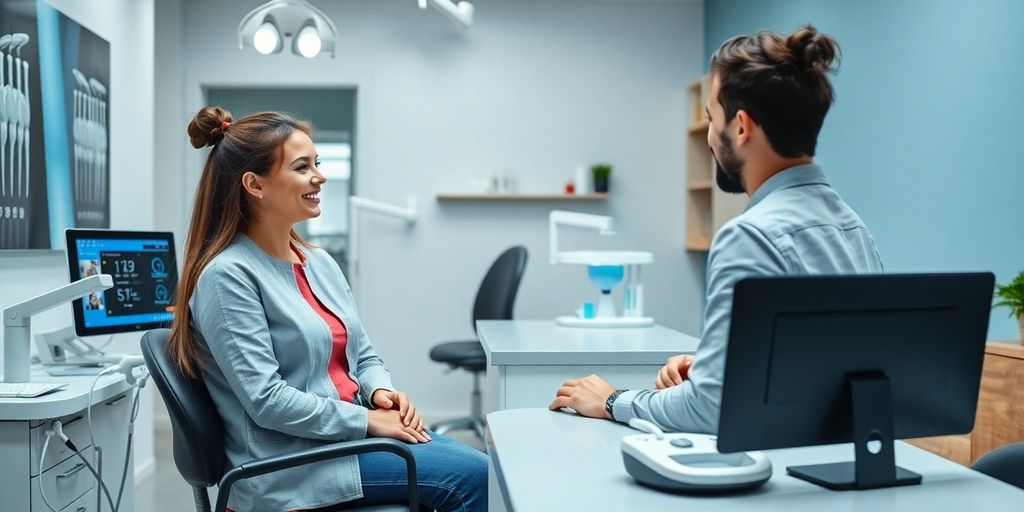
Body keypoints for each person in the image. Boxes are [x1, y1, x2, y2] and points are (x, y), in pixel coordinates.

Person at [549, 25, 883, 434]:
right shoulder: (853, 229)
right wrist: (710, 364)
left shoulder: (750, 236)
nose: (709, 136)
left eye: (712, 118)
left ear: (740, 127)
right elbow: (818, 368)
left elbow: (712, 410)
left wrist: (613, 401)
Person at [168, 107, 486, 512]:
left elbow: (364, 354)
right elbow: (266, 400)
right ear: (254, 184)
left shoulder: (318, 262)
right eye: (303, 167)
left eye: (316, 163)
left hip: (346, 439)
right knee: (476, 478)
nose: (320, 176)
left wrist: (380, 392)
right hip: (291, 466)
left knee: (481, 468)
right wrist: (368, 421)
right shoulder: (227, 276)